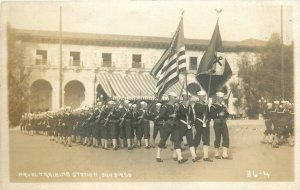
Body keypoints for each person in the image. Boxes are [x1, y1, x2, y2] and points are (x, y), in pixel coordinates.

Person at [156, 92, 188, 164]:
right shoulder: (165, 106)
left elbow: (179, 115)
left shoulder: (176, 106)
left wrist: (178, 109)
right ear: (171, 97)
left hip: (175, 125)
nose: (176, 99)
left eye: (176, 97)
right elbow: (161, 116)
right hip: (168, 125)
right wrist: (170, 115)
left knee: (177, 140)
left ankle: (180, 158)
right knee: (163, 139)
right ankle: (158, 155)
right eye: (175, 97)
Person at [177, 92, 200, 162]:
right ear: (183, 97)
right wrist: (186, 106)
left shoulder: (189, 106)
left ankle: (194, 156)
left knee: (191, 140)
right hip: (181, 125)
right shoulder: (179, 106)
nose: (188, 98)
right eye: (186, 96)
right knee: (178, 141)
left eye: (189, 97)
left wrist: (193, 125)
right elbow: (183, 113)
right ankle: (179, 157)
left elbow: (192, 116)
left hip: (188, 126)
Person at [210, 92, 231, 160]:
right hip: (217, 123)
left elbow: (227, 115)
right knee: (218, 138)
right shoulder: (213, 106)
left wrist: (225, 111)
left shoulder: (223, 106)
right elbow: (212, 115)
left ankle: (224, 154)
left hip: (223, 123)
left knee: (226, 137)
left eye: (222, 98)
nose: (221, 99)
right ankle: (217, 153)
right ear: (217, 98)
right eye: (220, 98)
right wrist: (219, 114)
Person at [193, 91, 213, 162]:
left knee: (206, 139)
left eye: (205, 96)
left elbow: (209, 114)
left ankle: (206, 156)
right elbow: (201, 111)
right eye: (203, 96)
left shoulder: (206, 104)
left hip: (206, 124)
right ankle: (194, 155)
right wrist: (205, 105)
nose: (204, 97)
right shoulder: (196, 104)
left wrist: (208, 120)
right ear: (199, 97)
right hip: (199, 123)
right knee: (197, 138)